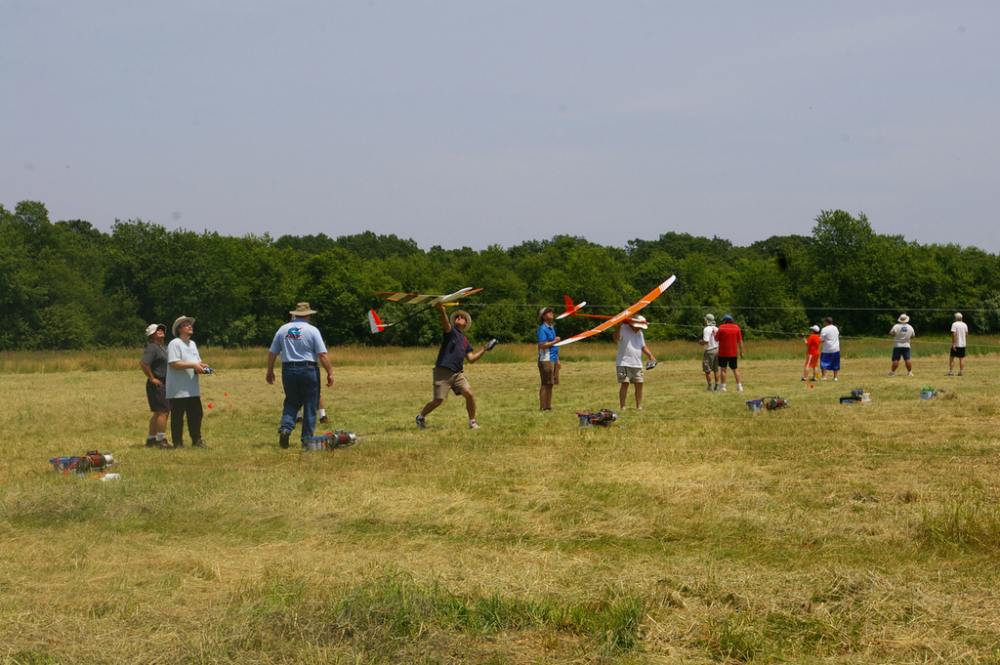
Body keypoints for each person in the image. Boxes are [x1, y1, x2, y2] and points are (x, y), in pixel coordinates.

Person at [266, 302, 334, 448]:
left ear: (295, 314)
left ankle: (285, 428)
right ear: (308, 315)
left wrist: (270, 370)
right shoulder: (312, 330)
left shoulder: (283, 329)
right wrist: (330, 372)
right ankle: (307, 439)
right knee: (310, 404)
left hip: (288, 370)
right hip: (308, 369)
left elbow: (273, 352)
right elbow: (321, 354)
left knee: (291, 401)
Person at [416, 304, 492, 429]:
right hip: (443, 371)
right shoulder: (451, 332)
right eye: (457, 316)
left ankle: (472, 422)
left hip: (457, 373)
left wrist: (484, 349)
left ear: (466, 323)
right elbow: (445, 324)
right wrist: (442, 310)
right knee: (438, 401)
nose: (459, 317)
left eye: (462, 317)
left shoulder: (466, 341)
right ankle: (420, 417)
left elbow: (471, 359)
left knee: (469, 394)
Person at [166, 316, 211, 449]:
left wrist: (201, 366)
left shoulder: (192, 344)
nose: (190, 326)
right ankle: (178, 443)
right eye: (186, 324)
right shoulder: (175, 343)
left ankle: (197, 441)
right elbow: (173, 363)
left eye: (190, 324)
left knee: (196, 414)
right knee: (178, 416)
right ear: (179, 329)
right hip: (178, 388)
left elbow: (195, 362)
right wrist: (193, 365)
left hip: (192, 387)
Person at [613, 315, 657, 409]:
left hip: (637, 363)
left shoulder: (640, 333)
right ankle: (622, 407)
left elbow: (643, 346)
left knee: (639, 384)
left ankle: (639, 407)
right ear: (634, 324)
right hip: (624, 362)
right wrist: (619, 325)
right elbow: (616, 338)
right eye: (639, 326)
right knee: (625, 384)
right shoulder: (623, 329)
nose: (640, 328)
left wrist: (650, 355)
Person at [139, 323, 171, 448]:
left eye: (162, 329)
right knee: (163, 412)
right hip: (158, 384)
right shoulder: (153, 347)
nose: (161, 330)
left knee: (158, 413)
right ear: (151, 335)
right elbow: (143, 363)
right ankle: (161, 440)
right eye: (157, 330)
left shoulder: (163, 347)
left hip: (165, 383)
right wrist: (152, 378)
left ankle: (151, 439)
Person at [537, 307, 561, 411]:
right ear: (543, 316)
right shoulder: (542, 329)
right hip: (546, 359)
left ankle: (548, 406)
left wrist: (558, 360)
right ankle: (543, 407)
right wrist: (555, 341)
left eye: (551, 311)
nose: (551, 313)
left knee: (551, 384)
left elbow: (554, 347)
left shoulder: (552, 328)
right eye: (548, 312)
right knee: (545, 383)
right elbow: (542, 345)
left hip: (553, 359)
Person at [714, 314, 744, 392]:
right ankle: (739, 386)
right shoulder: (736, 327)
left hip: (723, 352)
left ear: (725, 321)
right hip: (733, 352)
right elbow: (740, 341)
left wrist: (714, 333)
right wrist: (741, 352)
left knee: (723, 369)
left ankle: (723, 387)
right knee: (735, 369)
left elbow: (716, 339)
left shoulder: (721, 327)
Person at [699, 313, 720, 391]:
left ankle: (710, 386)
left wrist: (701, 342)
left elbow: (706, 341)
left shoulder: (706, 329)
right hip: (717, 350)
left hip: (709, 351)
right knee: (716, 370)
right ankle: (717, 386)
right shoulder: (717, 328)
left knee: (707, 369)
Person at [819, 316, 840, 381]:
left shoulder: (824, 329)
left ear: (826, 322)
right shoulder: (835, 328)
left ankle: (824, 376)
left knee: (824, 362)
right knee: (836, 363)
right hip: (836, 348)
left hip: (827, 349)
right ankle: (835, 377)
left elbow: (821, 339)